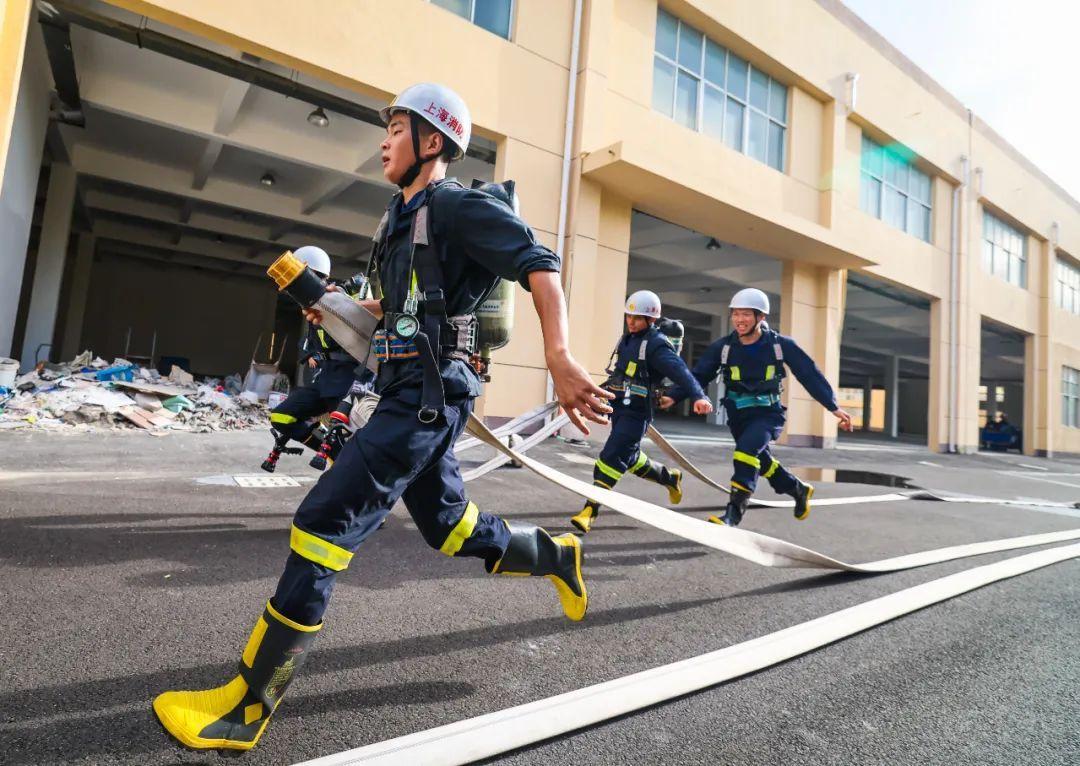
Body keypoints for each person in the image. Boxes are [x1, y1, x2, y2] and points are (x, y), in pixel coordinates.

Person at [152, 82, 613, 752]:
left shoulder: (457, 205)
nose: (383, 140)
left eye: (395, 128)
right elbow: (395, 308)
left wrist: (561, 356)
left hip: (427, 397)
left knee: (321, 523)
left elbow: (540, 267)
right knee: (450, 528)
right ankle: (556, 554)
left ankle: (246, 710)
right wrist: (339, 307)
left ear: (432, 141)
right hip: (407, 390)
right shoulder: (401, 220)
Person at [662, 288, 853, 527]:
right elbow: (699, 375)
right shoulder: (723, 347)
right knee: (760, 460)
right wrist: (674, 397)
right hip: (737, 415)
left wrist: (833, 407)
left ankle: (733, 514)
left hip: (768, 414)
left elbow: (809, 374)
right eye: (736, 314)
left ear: (760, 317)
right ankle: (798, 489)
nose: (740, 320)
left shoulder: (781, 346)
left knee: (745, 452)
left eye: (746, 314)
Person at [570, 290, 712, 533]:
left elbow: (681, 373)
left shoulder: (657, 346)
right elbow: (619, 374)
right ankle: (670, 478)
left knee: (612, 455)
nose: (631, 322)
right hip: (619, 407)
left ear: (651, 319)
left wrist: (698, 395)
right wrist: (597, 392)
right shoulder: (626, 340)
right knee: (630, 457)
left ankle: (590, 509)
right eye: (629, 316)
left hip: (637, 413)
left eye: (637, 318)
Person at [261, 248, 373, 472]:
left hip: (351, 379)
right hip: (326, 377)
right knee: (281, 416)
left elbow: (369, 318)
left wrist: (351, 290)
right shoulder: (312, 311)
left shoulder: (342, 294)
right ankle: (332, 451)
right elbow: (310, 343)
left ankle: (347, 467)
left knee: (348, 434)